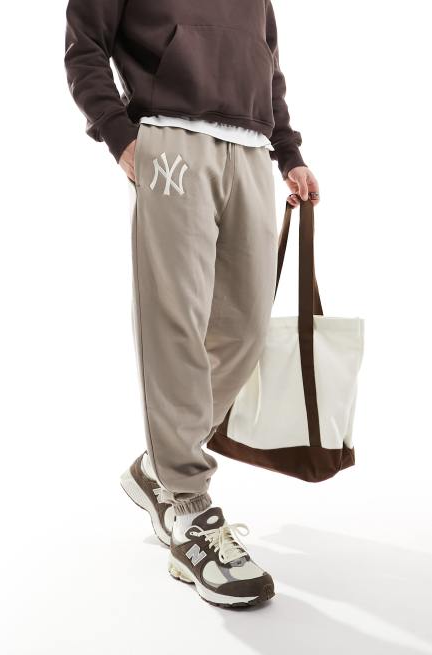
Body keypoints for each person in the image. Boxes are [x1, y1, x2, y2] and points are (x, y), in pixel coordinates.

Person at [65, 0, 320, 608]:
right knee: (175, 322)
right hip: (171, 141)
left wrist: (288, 151)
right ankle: (186, 505)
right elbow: (84, 47)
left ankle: (158, 464)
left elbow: (267, 66)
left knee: (245, 330)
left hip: (251, 149)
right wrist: (123, 138)